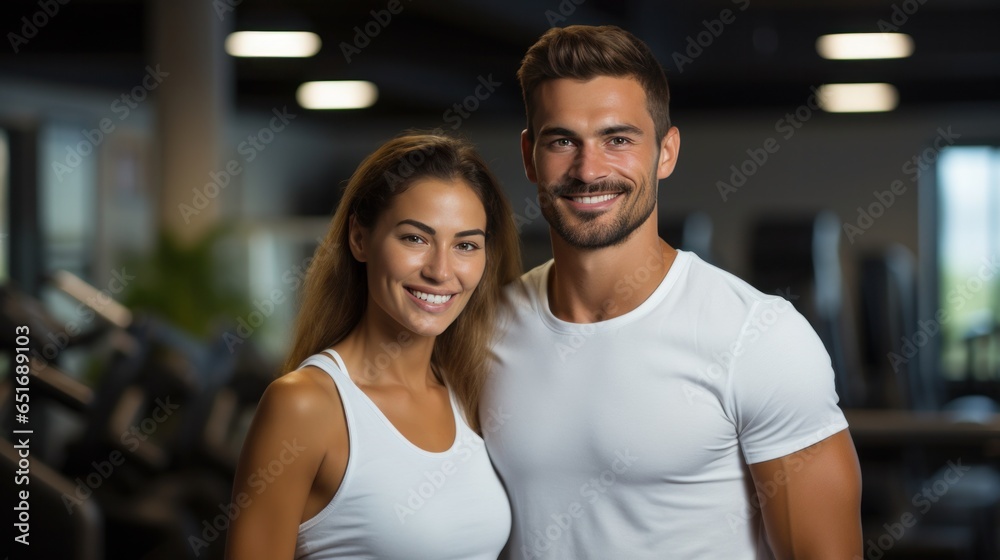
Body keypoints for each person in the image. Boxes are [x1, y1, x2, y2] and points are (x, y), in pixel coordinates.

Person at [481, 25, 862, 559]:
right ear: (529, 156)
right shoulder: (481, 332)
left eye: (618, 139)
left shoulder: (758, 338)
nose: (589, 170)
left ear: (666, 151)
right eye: (562, 140)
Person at [226, 131, 521, 559]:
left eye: (465, 245)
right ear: (360, 239)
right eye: (415, 238)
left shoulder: (469, 392)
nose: (441, 271)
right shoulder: (306, 405)